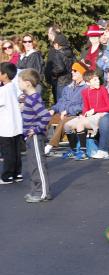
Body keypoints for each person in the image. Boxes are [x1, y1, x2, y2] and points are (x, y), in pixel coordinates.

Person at [18, 69, 52, 202]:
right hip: (29, 136)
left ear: (27, 83)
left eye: (20, 81)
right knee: (32, 165)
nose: (18, 84)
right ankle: (35, 190)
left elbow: (45, 116)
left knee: (38, 164)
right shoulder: (29, 98)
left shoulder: (34, 99)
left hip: (36, 137)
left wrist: (37, 129)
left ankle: (43, 193)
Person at [63, 70, 109, 160]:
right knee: (67, 125)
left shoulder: (103, 89)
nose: (98, 81)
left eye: (98, 79)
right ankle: (73, 149)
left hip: (100, 115)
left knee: (80, 124)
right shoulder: (85, 92)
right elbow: (86, 107)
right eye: (94, 80)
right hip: (90, 116)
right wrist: (83, 114)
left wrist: (94, 110)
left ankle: (83, 152)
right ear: (88, 83)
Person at [44, 62, 88, 155]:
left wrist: (67, 111)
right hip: (62, 113)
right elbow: (61, 102)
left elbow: (83, 106)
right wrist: (53, 109)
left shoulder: (85, 88)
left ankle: (50, 146)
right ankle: (40, 143)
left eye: (75, 70)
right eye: (72, 70)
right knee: (45, 117)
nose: (72, 72)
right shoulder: (67, 87)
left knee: (65, 122)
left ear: (81, 73)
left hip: (75, 115)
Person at [0, 62, 22, 184]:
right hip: (16, 124)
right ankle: (17, 173)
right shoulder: (13, 87)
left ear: (5, 75)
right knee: (16, 151)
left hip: (6, 126)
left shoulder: (3, 91)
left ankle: (7, 175)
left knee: (8, 152)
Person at [46, 33, 74, 101]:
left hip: (61, 82)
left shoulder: (58, 53)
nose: (54, 45)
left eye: (54, 44)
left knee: (60, 103)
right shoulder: (70, 52)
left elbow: (60, 68)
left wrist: (53, 74)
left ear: (57, 44)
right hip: (70, 80)